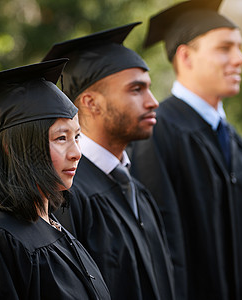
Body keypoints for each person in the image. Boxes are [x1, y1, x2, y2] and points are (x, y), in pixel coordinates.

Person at [129, 0, 242, 299]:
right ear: (186, 56)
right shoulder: (157, 132)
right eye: (225, 48)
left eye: (239, 47)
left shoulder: (234, 139)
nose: (240, 58)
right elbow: (160, 245)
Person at [43, 22, 175, 300]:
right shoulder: (66, 194)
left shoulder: (133, 187)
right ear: (90, 103)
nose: (153, 102)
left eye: (149, 88)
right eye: (136, 89)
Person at [0, 59, 111, 300]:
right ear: (15, 149)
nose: (77, 152)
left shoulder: (49, 221)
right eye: (61, 138)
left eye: (77, 136)